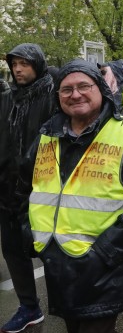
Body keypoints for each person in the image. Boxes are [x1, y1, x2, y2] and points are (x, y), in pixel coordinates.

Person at [17, 59, 123, 332]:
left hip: (103, 270)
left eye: (84, 86)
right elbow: (21, 190)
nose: (75, 94)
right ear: (58, 96)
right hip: (57, 262)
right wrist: (31, 238)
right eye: (66, 89)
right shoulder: (47, 136)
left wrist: (105, 252)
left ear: (100, 89)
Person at [0, 43, 56, 333]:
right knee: (12, 250)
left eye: (24, 63)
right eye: (14, 64)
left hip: (43, 190)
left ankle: (68, 306)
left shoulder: (53, 94)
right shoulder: (8, 98)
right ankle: (29, 307)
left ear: (37, 63)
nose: (18, 69)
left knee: (51, 250)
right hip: (8, 190)